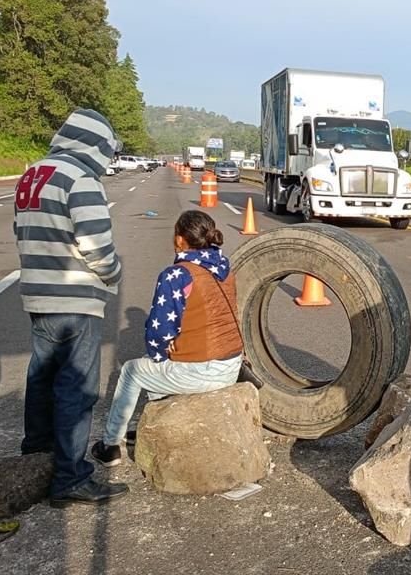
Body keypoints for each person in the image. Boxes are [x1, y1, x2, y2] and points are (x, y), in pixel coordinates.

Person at [13, 109, 127, 507]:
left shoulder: (33, 174)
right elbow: (96, 245)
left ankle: (37, 457)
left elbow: (20, 231)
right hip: (75, 299)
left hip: (37, 293)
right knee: (76, 389)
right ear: (95, 145)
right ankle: (69, 477)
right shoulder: (81, 179)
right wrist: (114, 273)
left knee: (42, 379)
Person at [91, 210, 244, 466]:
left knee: (133, 370)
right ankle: (157, 426)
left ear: (180, 239)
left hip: (203, 371)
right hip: (231, 364)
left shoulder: (177, 275)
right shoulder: (224, 268)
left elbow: (159, 333)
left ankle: (110, 446)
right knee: (155, 366)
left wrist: (161, 352)